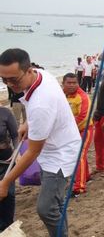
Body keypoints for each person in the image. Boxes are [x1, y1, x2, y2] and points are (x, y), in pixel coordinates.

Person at [0, 48, 81, 237]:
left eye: (14, 79)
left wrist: (5, 182)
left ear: (28, 70)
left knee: (46, 209)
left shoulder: (41, 104)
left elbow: (32, 151)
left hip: (60, 153)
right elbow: (35, 106)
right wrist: (29, 123)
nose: (10, 85)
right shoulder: (41, 74)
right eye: (4, 80)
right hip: (54, 143)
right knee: (57, 203)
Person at [62, 73, 93, 196]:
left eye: (74, 83)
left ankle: (79, 187)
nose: (71, 85)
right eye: (68, 83)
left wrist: (66, 126)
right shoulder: (61, 95)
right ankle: (85, 176)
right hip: (71, 131)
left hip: (84, 129)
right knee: (81, 154)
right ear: (63, 83)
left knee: (79, 154)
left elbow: (83, 117)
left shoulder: (82, 97)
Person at [0, 107, 18, 232]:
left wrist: (17, 151)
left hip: (6, 161)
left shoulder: (5, 113)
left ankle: (7, 227)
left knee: (8, 195)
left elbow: (16, 136)